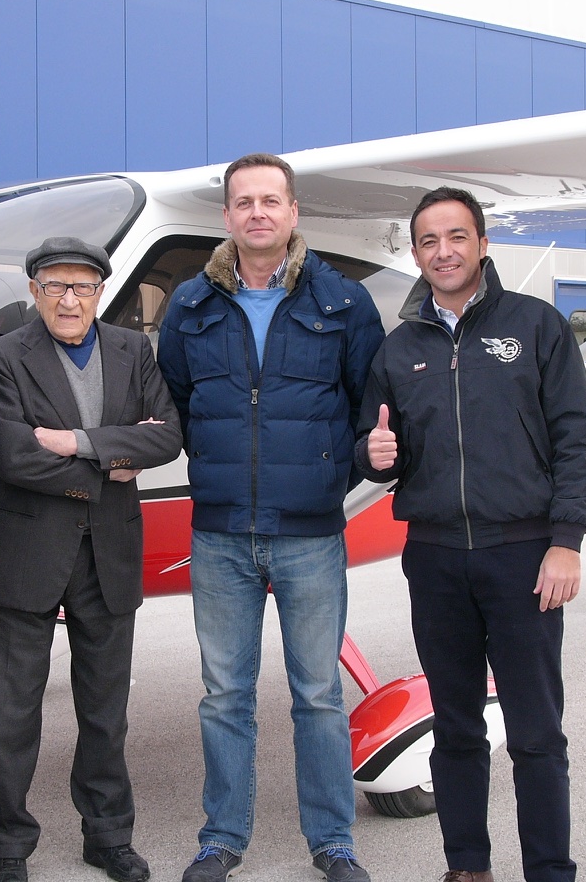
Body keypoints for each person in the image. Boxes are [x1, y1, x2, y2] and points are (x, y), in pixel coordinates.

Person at [355, 186, 586, 882]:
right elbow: (375, 444)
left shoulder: (535, 325)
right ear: (416, 254)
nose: (444, 252)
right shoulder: (399, 348)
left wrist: (566, 540)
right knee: (456, 729)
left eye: (457, 236)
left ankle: (549, 871)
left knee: (535, 733)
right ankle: (467, 868)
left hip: (522, 555)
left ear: (483, 244)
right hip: (434, 559)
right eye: (429, 241)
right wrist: (373, 454)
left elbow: (577, 439)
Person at [157, 153, 384, 882]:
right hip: (220, 533)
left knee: (317, 694)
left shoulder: (344, 302)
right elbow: (179, 403)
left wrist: (332, 476)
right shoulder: (190, 305)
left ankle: (333, 841)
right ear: (226, 215)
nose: (257, 212)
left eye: (270, 200)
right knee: (225, 697)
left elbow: (369, 409)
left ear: (293, 212)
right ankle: (222, 837)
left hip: (309, 533)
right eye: (243, 202)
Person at [0, 236, 182, 882]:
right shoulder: (6, 355)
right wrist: (114, 458)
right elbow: (17, 458)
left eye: (83, 286)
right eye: (55, 286)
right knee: (9, 713)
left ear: (99, 293)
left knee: (105, 711)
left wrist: (78, 442)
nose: (70, 299)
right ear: (34, 292)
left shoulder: (133, 350)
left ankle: (108, 835)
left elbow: (168, 437)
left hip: (108, 550)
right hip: (25, 552)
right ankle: (8, 846)